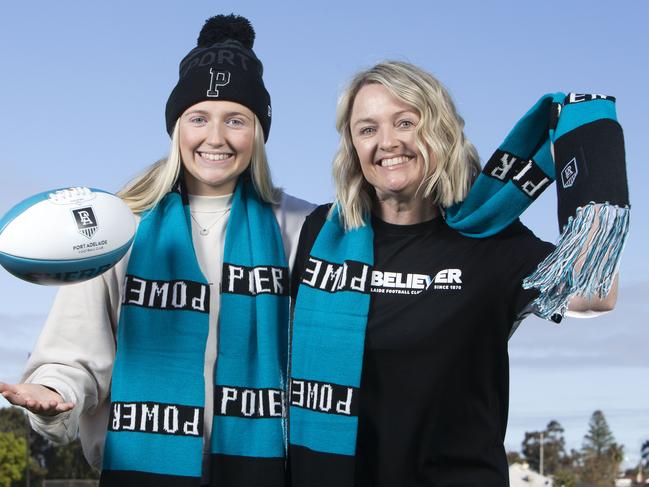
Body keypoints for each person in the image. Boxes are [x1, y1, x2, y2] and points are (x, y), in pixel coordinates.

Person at [0, 14, 313, 487]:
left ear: (259, 132)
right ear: (176, 128)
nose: (216, 137)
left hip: (265, 470)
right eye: (198, 118)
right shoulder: (116, 226)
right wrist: (52, 390)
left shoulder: (301, 225)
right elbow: (75, 354)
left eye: (236, 120)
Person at [287, 61, 626, 486]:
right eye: (367, 129)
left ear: (440, 130)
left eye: (406, 122)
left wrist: (592, 146)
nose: (387, 142)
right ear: (352, 145)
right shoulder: (320, 234)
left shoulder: (491, 241)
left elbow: (597, 292)